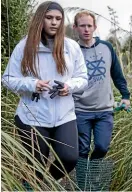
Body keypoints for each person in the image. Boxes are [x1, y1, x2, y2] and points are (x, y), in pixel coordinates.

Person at [2, 1, 88, 187]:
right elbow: (7, 78)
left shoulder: (71, 47)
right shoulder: (24, 46)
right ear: (40, 20)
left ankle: (43, 184)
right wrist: (33, 84)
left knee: (69, 158)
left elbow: (82, 78)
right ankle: (31, 185)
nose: (54, 22)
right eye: (49, 18)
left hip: (64, 114)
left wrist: (68, 86)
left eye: (58, 18)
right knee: (35, 166)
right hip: (32, 116)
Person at [72, 10, 130, 189]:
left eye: (89, 26)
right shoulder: (72, 50)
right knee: (81, 150)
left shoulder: (106, 47)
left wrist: (125, 96)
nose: (86, 30)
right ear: (75, 28)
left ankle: (94, 176)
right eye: (82, 26)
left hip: (105, 110)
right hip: (80, 110)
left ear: (95, 27)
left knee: (102, 147)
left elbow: (117, 75)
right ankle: (83, 187)